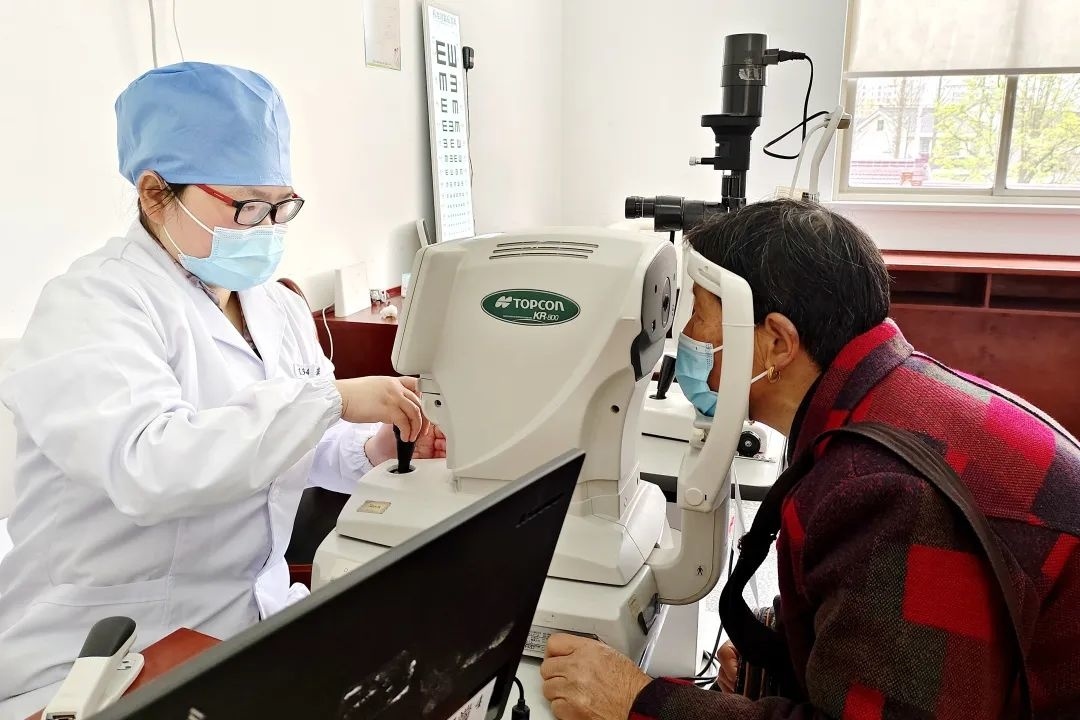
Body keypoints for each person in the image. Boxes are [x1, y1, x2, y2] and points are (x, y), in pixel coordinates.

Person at [0, 62, 445, 715]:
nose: (267, 228)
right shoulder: (92, 304)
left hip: (247, 628)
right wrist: (333, 399)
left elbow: (296, 445)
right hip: (102, 654)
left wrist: (374, 445)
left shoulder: (274, 306)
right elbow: (150, 466)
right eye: (247, 207)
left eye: (281, 207)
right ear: (155, 192)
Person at [540, 199, 1080, 719]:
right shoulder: (895, 401)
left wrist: (636, 700)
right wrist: (785, 647)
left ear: (777, 342)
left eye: (699, 317)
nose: (685, 338)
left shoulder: (883, 490)